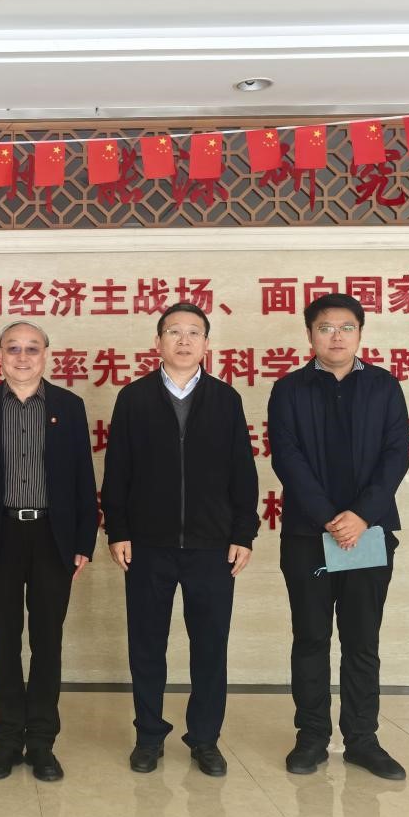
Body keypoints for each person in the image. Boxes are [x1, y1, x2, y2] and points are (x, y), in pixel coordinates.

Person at [101, 302, 259, 776]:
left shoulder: (225, 399)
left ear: (207, 344)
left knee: (210, 647)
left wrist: (243, 533)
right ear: (158, 342)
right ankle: (149, 736)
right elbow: (117, 471)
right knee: (147, 645)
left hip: (213, 547)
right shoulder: (134, 398)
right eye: (174, 332)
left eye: (194, 332)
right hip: (148, 544)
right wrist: (118, 530)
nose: (184, 340)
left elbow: (243, 471)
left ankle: (205, 739)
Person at [268, 293, 409, 781]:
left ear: (360, 333)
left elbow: (396, 454)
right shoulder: (289, 390)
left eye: (346, 327)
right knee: (310, 638)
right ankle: (311, 738)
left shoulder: (384, 386)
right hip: (308, 535)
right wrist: (331, 517)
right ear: (310, 334)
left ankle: (362, 740)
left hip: (369, 534)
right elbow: (286, 458)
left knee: (361, 640)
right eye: (325, 327)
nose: (336, 336)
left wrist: (362, 515)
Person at [0, 321, 98, 782]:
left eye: (31, 348)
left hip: (53, 537)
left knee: (47, 641)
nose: (22, 357)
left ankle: (41, 742)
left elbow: (83, 477)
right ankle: (5, 740)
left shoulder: (68, 407)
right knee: (3, 640)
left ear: (46, 355)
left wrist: (83, 541)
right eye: (13, 348)